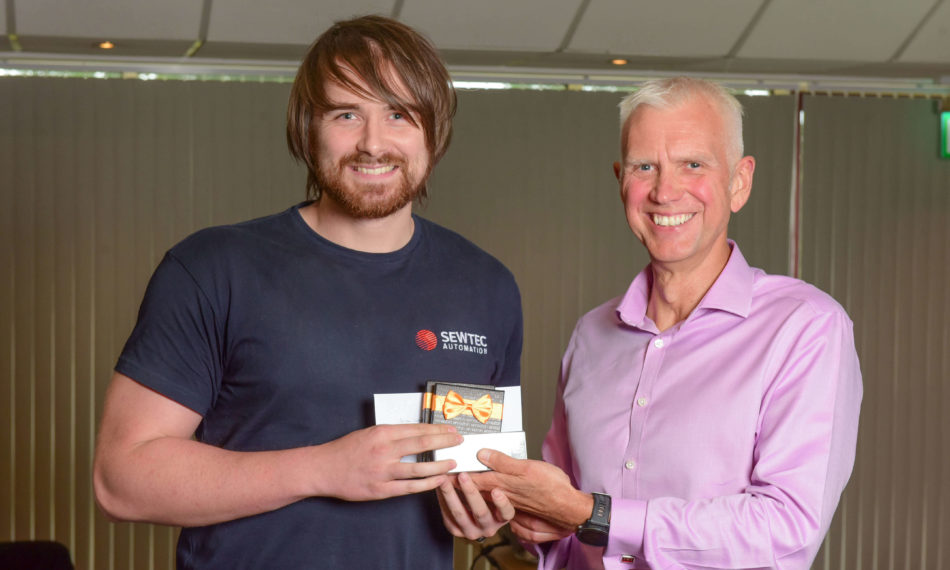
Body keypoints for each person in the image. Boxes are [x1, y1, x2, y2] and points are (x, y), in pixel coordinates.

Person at [92, 15, 521, 569]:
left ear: (431, 134)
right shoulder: (214, 268)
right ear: (307, 128)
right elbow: (121, 480)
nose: (373, 143)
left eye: (399, 115)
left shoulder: (488, 287)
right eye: (347, 114)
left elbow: (475, 471)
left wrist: (482, 509)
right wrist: (322, 469)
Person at [468, 77, 862, 569]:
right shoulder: (592, 336)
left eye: (692, 164)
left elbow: (786, 528)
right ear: (620, 181)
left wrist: (598, 516)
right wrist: (529, 522)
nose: (664, 191)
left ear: (739, 182)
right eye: (644, 166)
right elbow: (561, 514)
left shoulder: (806, 327)